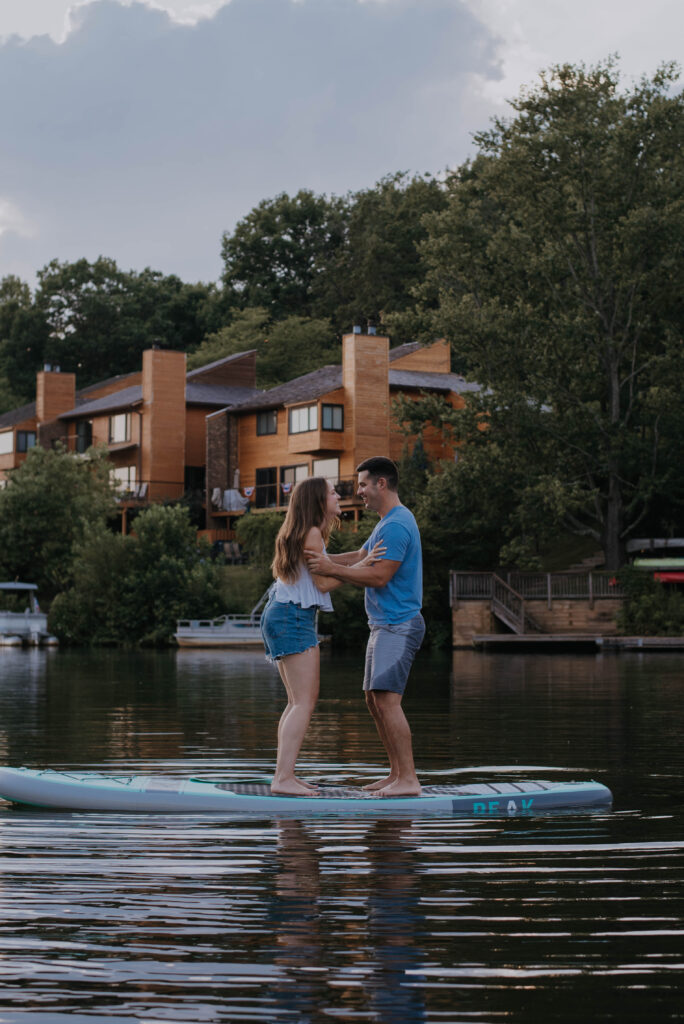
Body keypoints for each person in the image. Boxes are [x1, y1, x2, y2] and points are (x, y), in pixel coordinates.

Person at [305, 456, 425, 797]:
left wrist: (330, 569)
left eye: (362, 485)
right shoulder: (386, 522)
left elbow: (377, 574)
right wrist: (319, 560)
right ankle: (396, 774)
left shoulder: (397, 525)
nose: (358, 492)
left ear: (381, 484)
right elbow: (362, 555)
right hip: (383, 626)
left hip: (399, 624)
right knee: (375, 700)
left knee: (388, 701)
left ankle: (409, 780)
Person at [261, 476, 384, 797]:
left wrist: (360, 556)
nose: (337, 495)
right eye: (331, 492)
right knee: (303, 702)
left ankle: (284, 775)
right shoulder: (312, 533)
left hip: (283, 613)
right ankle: (283, 778)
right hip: (293, 617)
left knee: (296, 702)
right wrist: (366, 564)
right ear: (318, 500)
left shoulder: (304, 532)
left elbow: (327, 567)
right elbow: (325, 584)